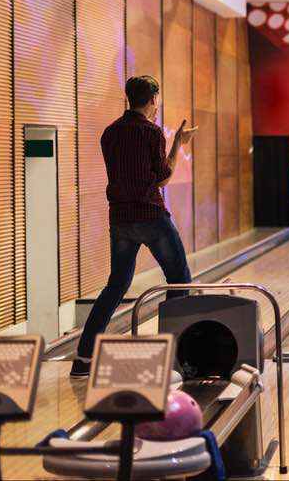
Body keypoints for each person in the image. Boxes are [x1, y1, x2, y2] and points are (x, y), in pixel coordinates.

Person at [70, 75, 197, 378]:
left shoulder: (110, 133)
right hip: (151, 216)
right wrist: (178, 143)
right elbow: (163, 178)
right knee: (179, 280)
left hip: (120, 220)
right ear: (153, 99)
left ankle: (83, 359)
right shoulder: (152, 133)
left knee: (116, 285)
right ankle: (176, 357)